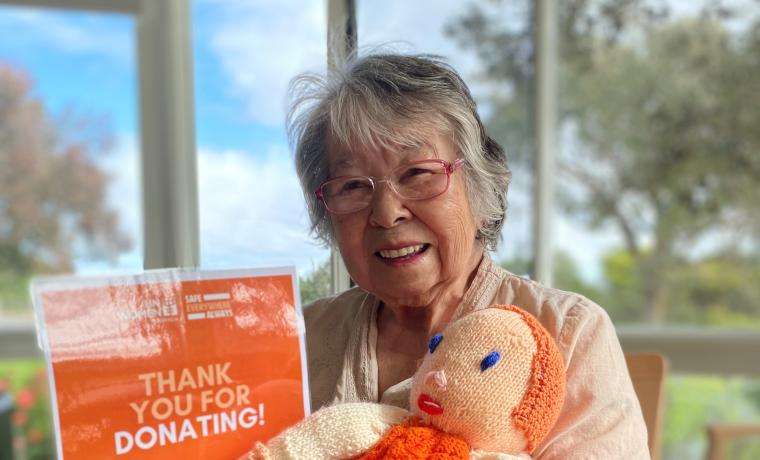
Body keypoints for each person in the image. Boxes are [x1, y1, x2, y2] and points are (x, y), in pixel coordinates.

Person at [288, 53, 649, 459]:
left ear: (480, 188)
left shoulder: (569, 331)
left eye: (418, 173)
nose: (387, 213)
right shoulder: (300, 337)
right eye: (353, 186)